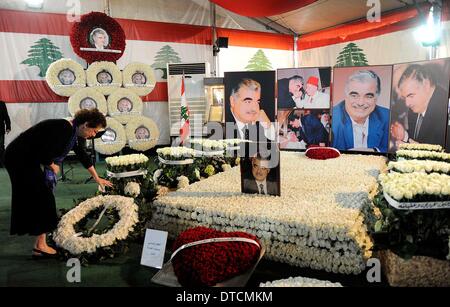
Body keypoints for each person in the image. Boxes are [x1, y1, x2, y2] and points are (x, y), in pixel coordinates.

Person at [4, 109, 113, 258]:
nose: (94, 135)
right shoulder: (64, 129)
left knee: (42, 197)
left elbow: (82, 155)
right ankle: (40, 245)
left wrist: (96, 177)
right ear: (85, 125)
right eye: (94, 131)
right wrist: (51, 164)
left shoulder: (73, 132)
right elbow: (43, 151)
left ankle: (39, 244)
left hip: (23, 158)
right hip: (19, 158)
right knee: (44, 197)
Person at [332, 70, 390, 152]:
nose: (360, 103)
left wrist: (375, 151)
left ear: (376, 98)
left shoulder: (387, 117)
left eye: (368, 96)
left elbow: (394, 148)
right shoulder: (333, 119)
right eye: (354, 95)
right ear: (346, 96)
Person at [390, 64, 447, 146]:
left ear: (426, 85)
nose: (407, 104)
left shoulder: (445, 108)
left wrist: (420, 149)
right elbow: (420, 139)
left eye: (411, 95)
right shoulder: (413, 110)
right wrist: (404, 136)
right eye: (404, 97)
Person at [0, 100, 11, 167]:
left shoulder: (2, 104)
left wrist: (8, 127)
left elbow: (6, 116)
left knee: (1, 147)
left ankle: (1, 163)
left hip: (0, 130)